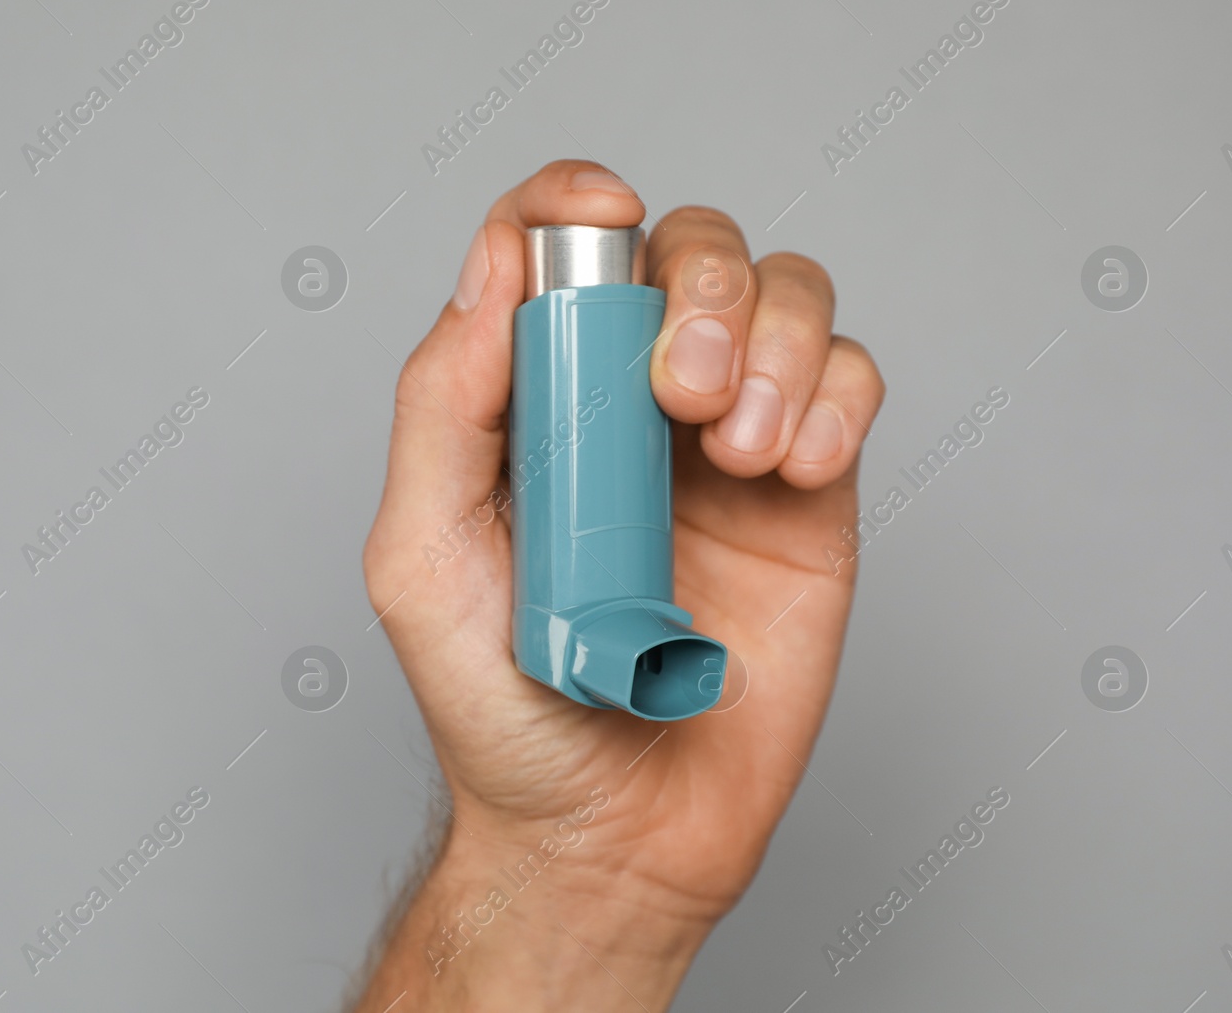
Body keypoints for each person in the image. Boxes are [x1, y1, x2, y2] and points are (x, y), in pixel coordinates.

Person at [352, 160, 885, 1011]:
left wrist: (602, 895)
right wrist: (569, 872)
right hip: (601, 630)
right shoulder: (567, 636)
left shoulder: (602, 634)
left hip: (622, 622)